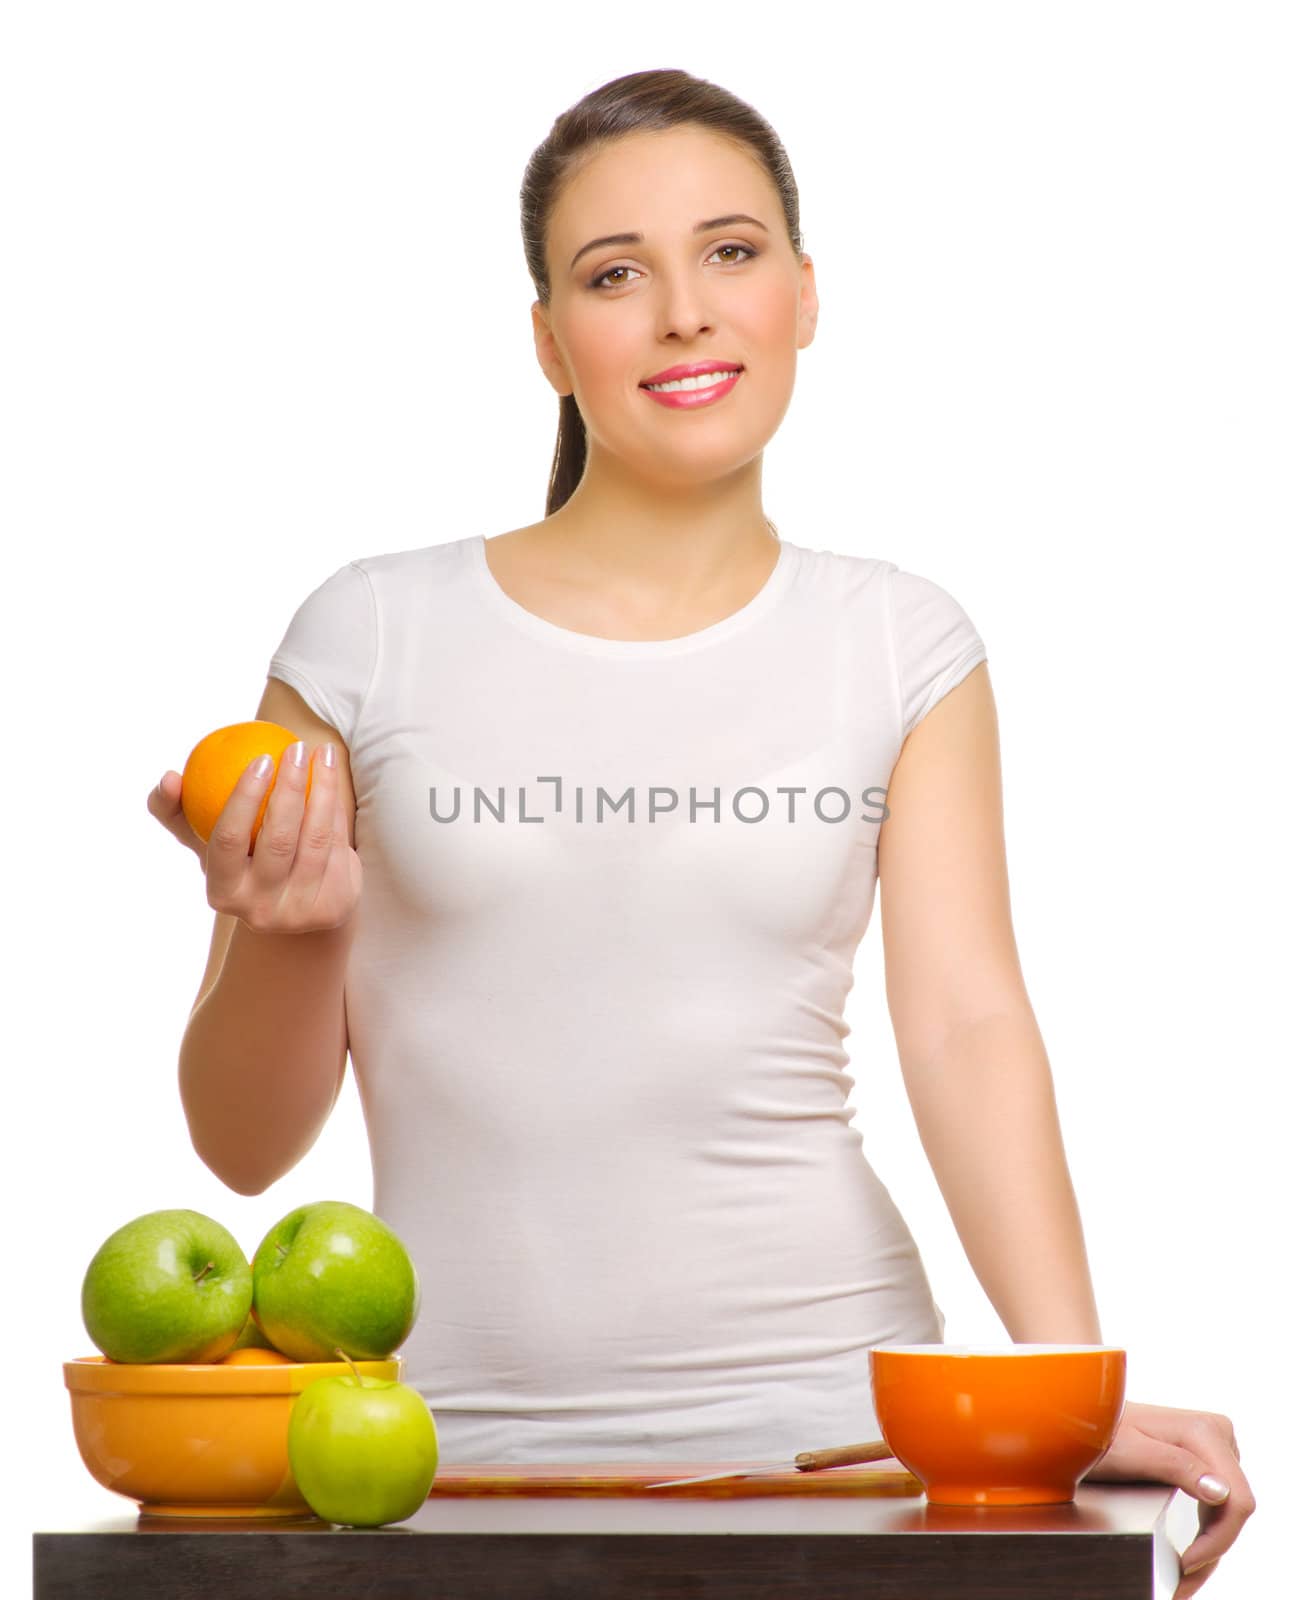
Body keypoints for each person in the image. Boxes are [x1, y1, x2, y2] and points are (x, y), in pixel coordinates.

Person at [148, 68, 1251, 1586]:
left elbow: (967, 1025)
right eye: (617, 274)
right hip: (437, 1463)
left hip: (841, 1447)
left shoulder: (901, 639)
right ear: (549, 341)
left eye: (731, 253)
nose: (684, 311)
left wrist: (1066, 1396)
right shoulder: (366, 636)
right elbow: (243, 1144)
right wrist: (299, 933)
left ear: (805, 295)